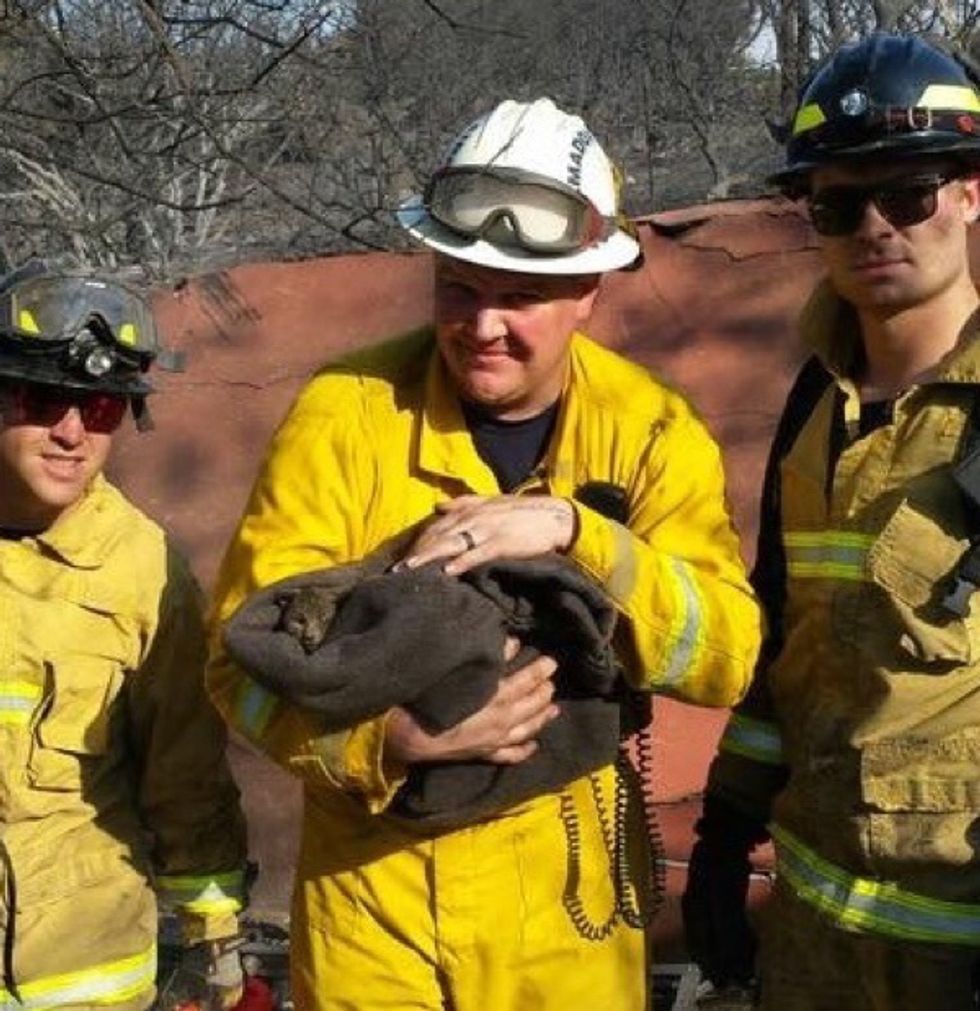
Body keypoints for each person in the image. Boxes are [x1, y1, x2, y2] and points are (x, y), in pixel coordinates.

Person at [207, 96, 760, 1011]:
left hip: (566, 902)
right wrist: (383, 742)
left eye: (521, 297)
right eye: (459, 287)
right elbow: (238, 665)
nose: (482, 324)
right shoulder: (344, 416)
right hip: (371, 907)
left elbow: (727, 649)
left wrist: (584, 540)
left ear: (589, 290)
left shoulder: (653, 432)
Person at [683, 32, 980, 1011]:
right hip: (811, 949)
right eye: (837, 202)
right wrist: (724, 830)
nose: (873, 227)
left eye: (908, 193)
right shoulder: (815, 404)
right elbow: (784, 634)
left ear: (968, 192)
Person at [0, 265, 248, 1010]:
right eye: (44, 400)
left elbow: (186, 771)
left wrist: (215, 940)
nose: (72, 432)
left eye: (102, 407)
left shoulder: (143, 569)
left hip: (83, 981)